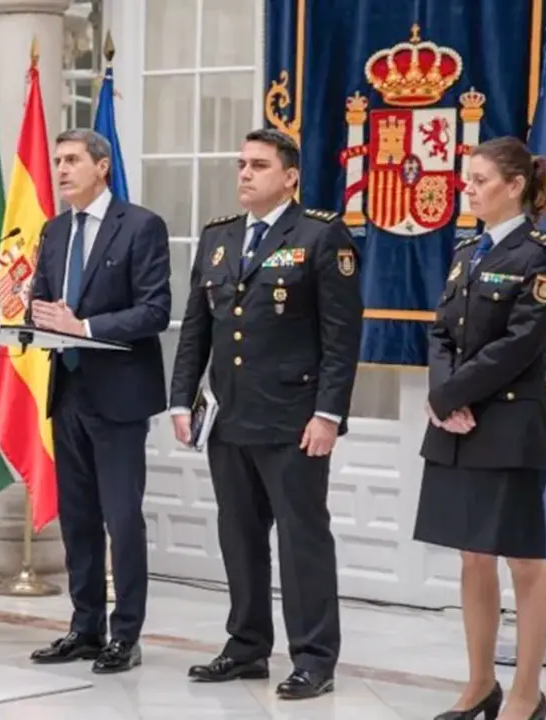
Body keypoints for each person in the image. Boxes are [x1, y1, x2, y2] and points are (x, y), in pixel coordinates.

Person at [169, 128, 363, 700]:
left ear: (290, 176)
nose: (245, 174)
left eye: (258, 164)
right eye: (241, 164)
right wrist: (182, 398)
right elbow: (195, 329)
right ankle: (247, 646)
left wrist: (328, 415)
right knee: (240, 535)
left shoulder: (322, 235)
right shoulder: (219, 238)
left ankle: (314, 657)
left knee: (302, 539)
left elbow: (341, 338)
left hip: (293, 418)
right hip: (230, 418)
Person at [414, 136, 546, 720]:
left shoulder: (541, 253)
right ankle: (480, 683)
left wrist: (453, 393)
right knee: (472, 556)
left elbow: (521, 341)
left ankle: (526, 692)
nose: (467, 188)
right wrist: (441, 394)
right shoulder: (467, 251)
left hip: (506, 422)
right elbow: (440, 332)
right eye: (467, 179)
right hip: (457, 423)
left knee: (522, 558)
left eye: (478, 180)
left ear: (515, 186)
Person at [25, 128, 171, 674]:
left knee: (121, 519)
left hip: (119, 397)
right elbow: (43, 299)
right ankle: (84, 627)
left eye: (71, 160)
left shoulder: (140, 226)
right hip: (67, 393)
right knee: (78, 520)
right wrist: (35, 319)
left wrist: (83, 325)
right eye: (57, 161)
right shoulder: (54, 229)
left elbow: (155, 311)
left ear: (102, 166)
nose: (60, 169)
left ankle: (124, 635)